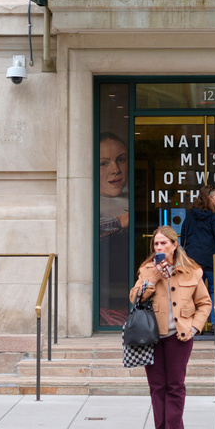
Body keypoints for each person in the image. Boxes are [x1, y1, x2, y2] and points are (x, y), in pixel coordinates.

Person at [130, 226, 211, 429]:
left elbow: (204, 303)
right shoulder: (147, 269)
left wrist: (195, 327)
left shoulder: (192, 271)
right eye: (156, 244)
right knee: (157, 387)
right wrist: (153, 279)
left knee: (175, 385)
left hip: (180, 336)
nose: (159, 247)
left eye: (164, 243)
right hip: (152, 337)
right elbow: (134, 297)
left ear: (175, 245)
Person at [180, 185, 215, 327]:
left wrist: (188, 251)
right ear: (209, 198)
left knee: (194, 292)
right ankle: (214, 323)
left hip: (193, 260)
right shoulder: (214, 216)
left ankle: (195, 323)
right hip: (212, 259)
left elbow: (184, 235)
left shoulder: (191, 214)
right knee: (214, 291)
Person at [98, 132, 131, 326]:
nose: (115, 170)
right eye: (104, 163)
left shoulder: (129, 197)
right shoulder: (90, 199)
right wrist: (119, 222)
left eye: (121, 160)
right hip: (105, 285)